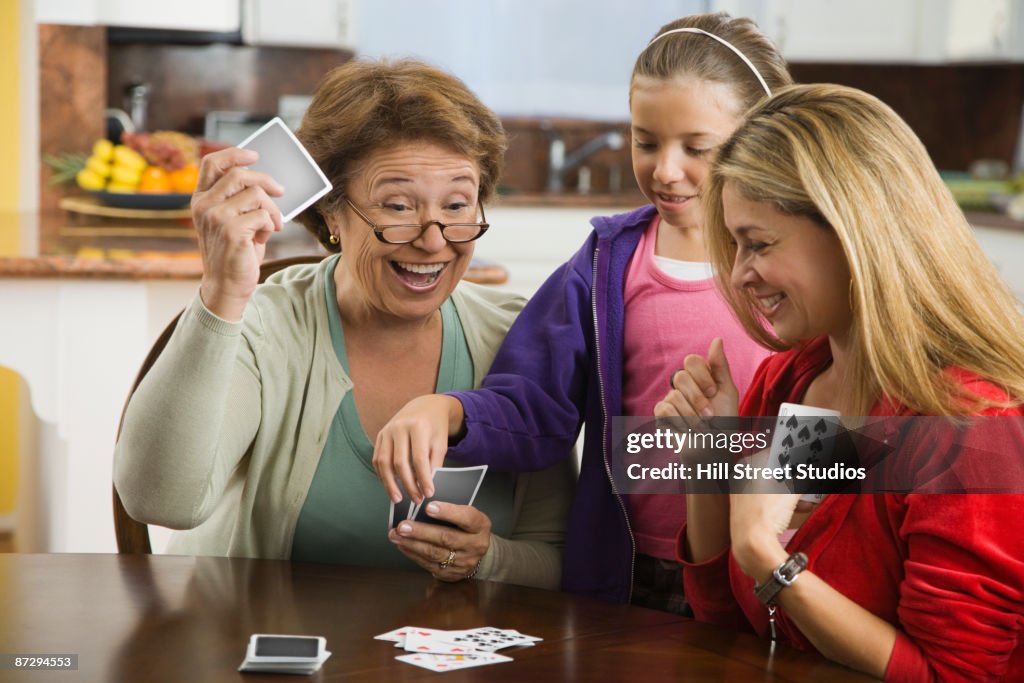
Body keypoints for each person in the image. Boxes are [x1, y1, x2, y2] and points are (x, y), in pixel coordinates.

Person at [372, 13, 792, 608]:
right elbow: (537, 403)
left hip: (779, 564)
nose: (665, 170)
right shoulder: (608, 260)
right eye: (646, 142)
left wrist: (721, 455)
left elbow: (852, 428)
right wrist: (447, 411)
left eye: (697, 147)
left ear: (761, 138)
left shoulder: (797, 268)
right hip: (633, 571)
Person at [113, 59, 574, 590]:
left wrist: (488, 559)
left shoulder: (518, 337)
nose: (433, 240)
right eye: (398, 206)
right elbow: (160, 500)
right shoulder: (266, 325)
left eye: (457, 205)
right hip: (258, 652)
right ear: (332, 213)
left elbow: (562, 560)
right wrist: (222, 292)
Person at [658, 83, 1024, 680]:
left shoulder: (972, 427)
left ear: (851, 233)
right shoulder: (794, 384)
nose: (742, 272)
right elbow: (728, 627)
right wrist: (712, 460)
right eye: (735, 244)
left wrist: (767, 559)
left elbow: (950, 675)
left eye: (758, 243)